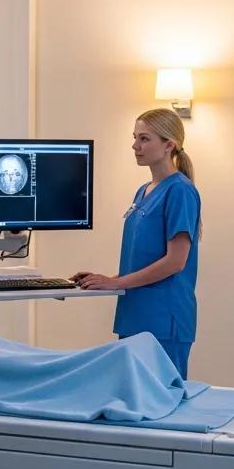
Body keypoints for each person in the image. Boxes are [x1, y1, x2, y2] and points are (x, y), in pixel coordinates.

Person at [71, 108, 201, 380]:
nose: (135, 146)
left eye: (144, 139)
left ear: (169, 145)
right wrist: (106, 279)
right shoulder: (143, 191)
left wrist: (116, 284)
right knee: (133, 400)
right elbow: (142, 257)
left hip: (164, 319)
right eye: (135, 138)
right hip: (135, 314)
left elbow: (176, 261)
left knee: (162, 403)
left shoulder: (180, 191)